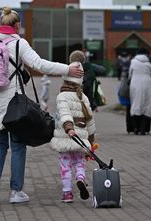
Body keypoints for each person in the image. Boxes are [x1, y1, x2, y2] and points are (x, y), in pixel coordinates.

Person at [0, 6, 83, 204]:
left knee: (0, 143)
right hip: (13, 104)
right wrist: (68, 69)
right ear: (17, 25)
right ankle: (16, 192)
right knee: (18, 145)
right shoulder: (18, 43)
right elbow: (40, 65)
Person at [50, 50, 96, 203]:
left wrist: (69, 127)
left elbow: (64, 113)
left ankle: (67, 193)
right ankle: (81, 180)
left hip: (66, 136)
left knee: (65, 165)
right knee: (79, 163)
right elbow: (90, 120)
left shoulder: (62, 96)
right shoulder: (83, 97)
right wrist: (91, 139)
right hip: (81, 138)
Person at [128, 48, 151, 135]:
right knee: (147, 106)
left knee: (136, 105)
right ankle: (144, 129)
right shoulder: (149, 64)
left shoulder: (133, 62)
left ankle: (136, 128)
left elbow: (130, 74)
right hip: (148, 84)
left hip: (135, 83)